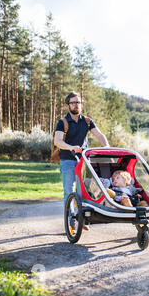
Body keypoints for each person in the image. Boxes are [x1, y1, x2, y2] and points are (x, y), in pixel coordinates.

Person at [54, 92, 110, 230]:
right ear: (68, 105)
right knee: (69, 191)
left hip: (84, 160)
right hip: (68, 160)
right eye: (73, 102)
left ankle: (83, 218)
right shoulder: (63, 122)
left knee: (87, 190)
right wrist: (71, 147)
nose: (76, 105)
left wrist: (107, 147)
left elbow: (99, 134)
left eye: (78, 102)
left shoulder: (87, 121)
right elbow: (57, 141)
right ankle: (71, 221)